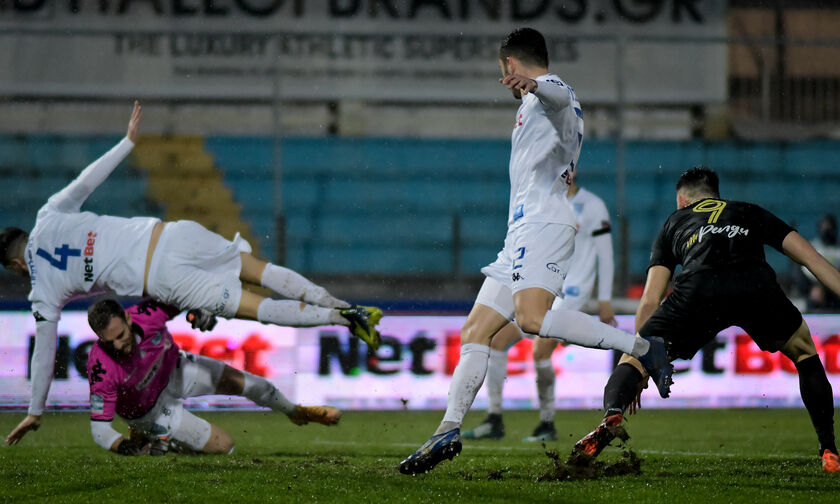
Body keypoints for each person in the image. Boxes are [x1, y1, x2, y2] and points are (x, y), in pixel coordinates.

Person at [2, 101, 381, 446]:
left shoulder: (43, 293)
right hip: (170, 233)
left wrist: (35, 410)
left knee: (258, 308)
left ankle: (337, 318)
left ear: (16, 265)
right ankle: (346, 307)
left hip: (165, 277)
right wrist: (127, 143)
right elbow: (87, 181)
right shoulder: (49, 214)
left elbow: (44, 354)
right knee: (255, 268)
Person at [398, 28, 671, 476]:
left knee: (531, 320)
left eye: (505, 69)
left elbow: (559, 95)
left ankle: (643, 346)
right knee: (475, 331)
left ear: (510, 64)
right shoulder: (530, 106)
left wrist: (535, 84)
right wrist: (531, 92)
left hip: (544, 223)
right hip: (520, 232)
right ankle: (448, 429)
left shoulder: (554, 93)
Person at [568, 166, 839, 474]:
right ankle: (829, 450)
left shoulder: (675, 221)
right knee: (804, 351)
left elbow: (650, 298)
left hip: (698, 289)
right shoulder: (749, 211)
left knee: (631, 358)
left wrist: (643, 355)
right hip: (752, 285)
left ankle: (612, 414)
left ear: (682, 200)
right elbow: (812, 259)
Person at [463, 175, 616, 442]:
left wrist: (604, 300)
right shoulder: (539, 203)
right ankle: (494, 419)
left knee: (540, 348)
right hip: (543, 286)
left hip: (573, 291)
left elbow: (606, 255)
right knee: (497, 340)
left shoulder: (592, 206)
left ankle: (547, 423)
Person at [85, 298, 340, 456]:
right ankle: (152, 437)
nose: (118, 345)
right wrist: (121, 446)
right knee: (224, 446)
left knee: (251, 384)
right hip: (150, 410)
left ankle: (296, 411)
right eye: (110, 341)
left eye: (121, 336)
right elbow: (99, 429)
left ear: (128, 318)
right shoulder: (101, 368)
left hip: (175, 369)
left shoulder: (148, 313)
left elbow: (183, 293)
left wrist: (199, 310)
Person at [799, 214, 840, 312]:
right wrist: (812, 287)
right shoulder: (812, 247)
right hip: (812, 288)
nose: (826, 231)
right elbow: (800, 271)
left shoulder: (838, 250)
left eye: (829, 228)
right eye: (823, 227)